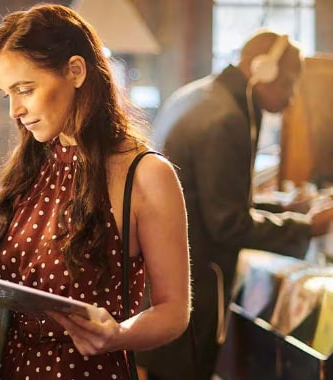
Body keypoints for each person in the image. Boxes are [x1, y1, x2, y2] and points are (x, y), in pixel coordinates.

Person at [0, 4, 191, 380]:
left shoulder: (144, 174)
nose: (15, 109)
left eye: (25, 89)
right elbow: (18, 286)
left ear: (75, 71)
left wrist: (117, 335)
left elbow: (174, 312)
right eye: (6, 94)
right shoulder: (35, 163)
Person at [137, 30, 333, 380]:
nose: (290, 100)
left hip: (161, 275)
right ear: (265, 71)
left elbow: (215, 198)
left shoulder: (196, 95)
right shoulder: (228, 119)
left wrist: (290, 212)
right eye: (290, 85)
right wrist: (308, 227)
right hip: (193, 283)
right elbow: (227, 224)